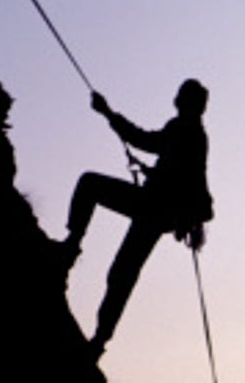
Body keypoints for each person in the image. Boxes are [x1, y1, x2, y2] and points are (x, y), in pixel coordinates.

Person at [59, 79, 213, 357]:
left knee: (90, 185)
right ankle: (100, 341)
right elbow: (180, 175)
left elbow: (144, 140)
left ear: (184, 101)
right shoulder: (193, 133)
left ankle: (72, 244)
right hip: (158, 211)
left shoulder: (184, 129)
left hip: (153, 208)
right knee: (123, 273)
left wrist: (107, 113)